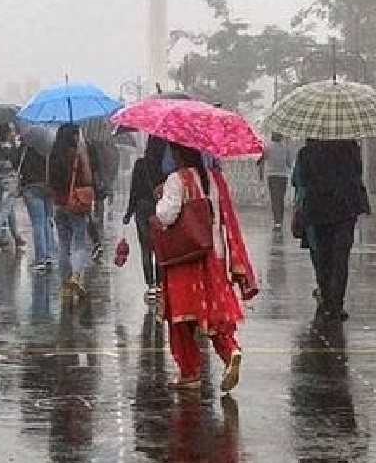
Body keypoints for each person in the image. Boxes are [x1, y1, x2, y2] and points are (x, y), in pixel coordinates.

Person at [154, 142, 256, 391]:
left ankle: (189, 372)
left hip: (185, 257)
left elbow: (166, 216)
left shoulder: (177, 180)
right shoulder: (214, 178)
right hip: (214, 253)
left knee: (180, 315)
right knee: (212, 311)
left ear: (177, 154)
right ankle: (230, 350)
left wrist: (160, 199)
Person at [294, 139, 368, 323]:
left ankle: (326, 299)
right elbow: (357, 173)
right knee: (341, 258)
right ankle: (337, 304)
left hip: (318, 209)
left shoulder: (306, 153)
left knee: (322, 256)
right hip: (346, 209)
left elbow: (301, 180)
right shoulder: (351, 148)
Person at [48, 124, 94, 299]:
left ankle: (65, 283)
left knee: (64, 245)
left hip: (58, 203)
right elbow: (88, 178)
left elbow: (49, 180)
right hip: (75, 202)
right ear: (74, 136)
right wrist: (84, 156)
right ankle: (76, 276)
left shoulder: (53, 155)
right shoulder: (77, 154)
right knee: (80, 242)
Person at [123, 136, 167, 301]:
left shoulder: (140, 164)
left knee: (146, 248)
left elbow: (134, 190)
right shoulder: (165, 166)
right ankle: (161, 283)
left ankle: (151, 286)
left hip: (141, 208)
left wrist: (128, 213)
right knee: (160, 247)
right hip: (160, 206)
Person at [16, 134, 55, 272]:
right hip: (48, 188)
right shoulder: (50, 150)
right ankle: (49, 256)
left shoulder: (26, 150)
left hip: (31, 187)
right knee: (47, 221)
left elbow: (17, 165)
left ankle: (40, 258)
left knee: (38, 223)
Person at [0, 124, 27, 251]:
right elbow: (16, 162)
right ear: (7, 133)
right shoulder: (12, 148)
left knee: (8, 209)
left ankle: (16, 236)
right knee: (7, 207)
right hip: (10, 180)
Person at [258, 132, 293, 229]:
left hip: (272, 176)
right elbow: (289, 164)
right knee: (280, 198)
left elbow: (261, 162)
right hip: (283, 176)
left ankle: (277, 221)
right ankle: (279, 220)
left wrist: (261, 176)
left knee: (274, 199)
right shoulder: (286, 148)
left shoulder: (267, 147)